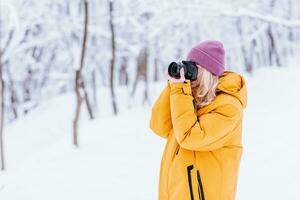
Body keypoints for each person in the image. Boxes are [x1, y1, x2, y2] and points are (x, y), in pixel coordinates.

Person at [149, 40, 247, 200]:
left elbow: (190, 137)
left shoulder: (229, 107)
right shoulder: (190, 98)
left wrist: (179, 90)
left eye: (194, 67)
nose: (188, 72)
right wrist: (173, 86)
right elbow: (159, 125)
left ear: (208, 72)